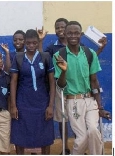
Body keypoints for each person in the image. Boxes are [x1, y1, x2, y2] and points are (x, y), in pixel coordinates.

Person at [43, 18, 108, 155]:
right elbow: (60, 85)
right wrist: (64, 71)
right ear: (65, 35)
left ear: (81, 34)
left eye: (76, 33)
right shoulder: (58, 56)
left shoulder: (89, 53)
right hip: (72, 101)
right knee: (82, 137)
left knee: (93, 131)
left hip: (90, 100)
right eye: (70, 33)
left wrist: (100, 107)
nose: (73, 36)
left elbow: (94, 81)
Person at [10, 29, 55, 155]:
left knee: (45, 136)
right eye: (28, 43)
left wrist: (50, 106)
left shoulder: (45, 57)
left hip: (42, 102)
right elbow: (13, 82)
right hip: (23, 102)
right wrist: (13, 106)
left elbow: (52, 82)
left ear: (37, 43)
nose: (31, 46)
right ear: (24, 43)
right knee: (20, 136)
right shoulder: (18, 58)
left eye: (34, 43)